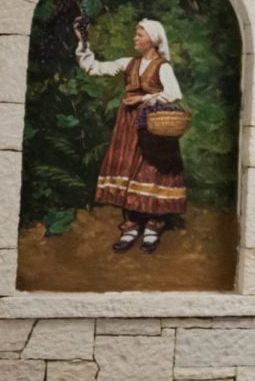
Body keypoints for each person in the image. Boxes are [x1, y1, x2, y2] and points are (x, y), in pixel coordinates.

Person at [76, 17, 188, 254]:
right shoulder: (128, 63)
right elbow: (94, 68)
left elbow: (174, 93)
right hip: (127, 125)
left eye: (139, 35)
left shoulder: (162, 67)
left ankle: (153, 226)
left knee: (152, 170)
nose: (134, 38)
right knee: (127, 168)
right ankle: (131, 226)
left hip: (154, 127)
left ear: (153, 39)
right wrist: (83, 43)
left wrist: (144, 98)